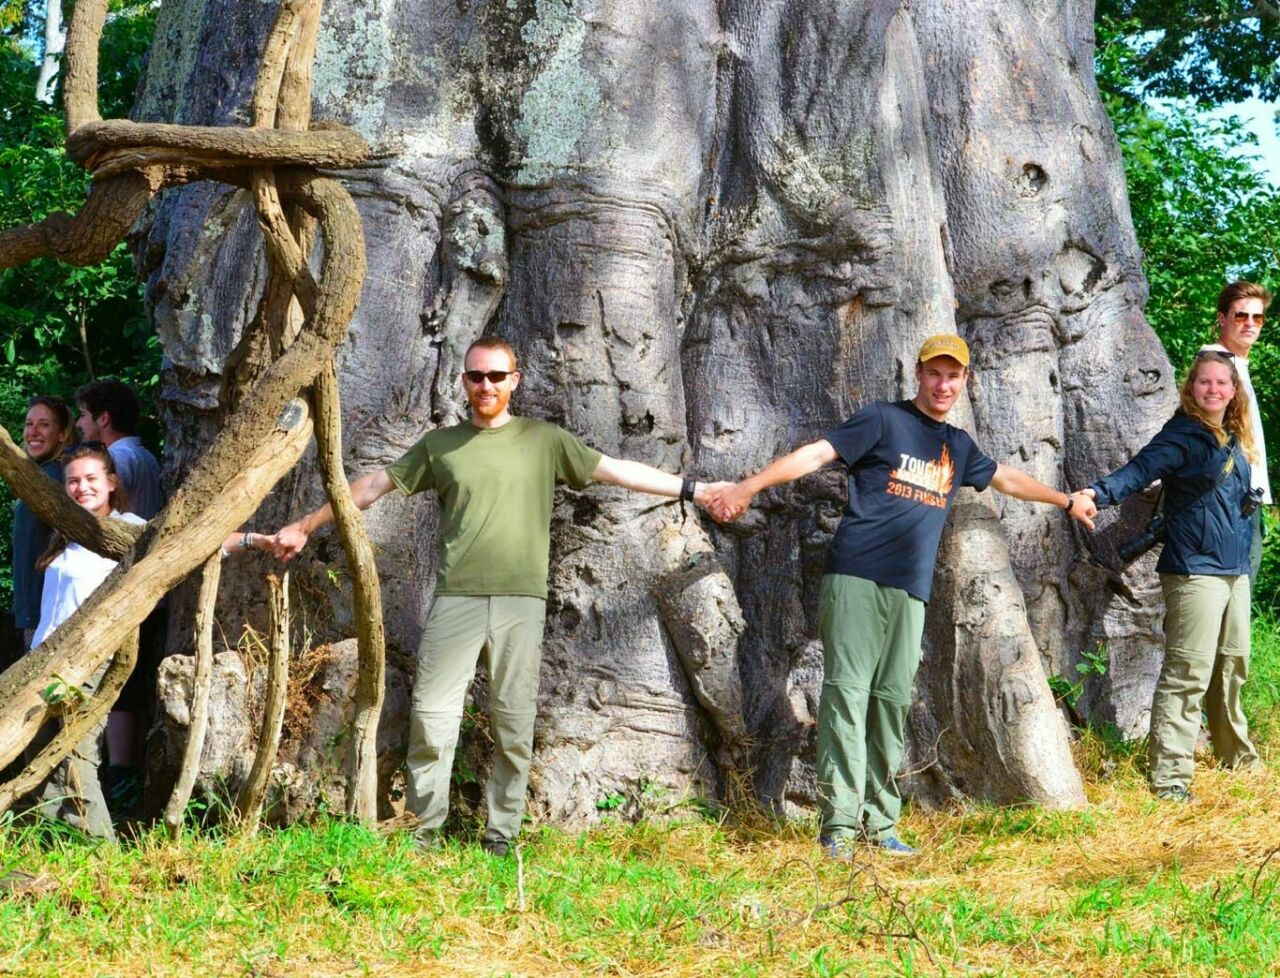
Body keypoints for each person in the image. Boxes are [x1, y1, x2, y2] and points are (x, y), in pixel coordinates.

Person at [271, 336, 729, 855]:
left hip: (520, 603)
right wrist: (306, 525)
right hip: (456, 601)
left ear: (514, 380)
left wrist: (694, 489)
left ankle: (502, 835)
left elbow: (617, 470)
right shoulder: (440, 446)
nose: (484, 385)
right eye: (475, 376)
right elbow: (374, 486)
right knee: (432, 716)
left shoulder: (544, 440)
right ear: (463, 381)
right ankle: (423, 834)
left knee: (514, 720)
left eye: (495, 376)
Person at [705, 335, 1097, 858]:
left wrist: (1066, 499)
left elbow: (1007, 479)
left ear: (965, 381)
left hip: (910, 591)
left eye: (953, 375)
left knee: (891, 700)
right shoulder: (882, 421)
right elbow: (816, 455)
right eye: (935, 373)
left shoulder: (957, 446)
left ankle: (880, 821)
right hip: (857, 578)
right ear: (918, 373)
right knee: (847, 693)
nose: (943, 384)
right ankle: (839, 827)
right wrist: (749, 487)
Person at [1080, 352, 1259, 802]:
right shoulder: (1182, 435)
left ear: (1233, 391)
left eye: (1222, 383)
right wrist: (1096, 494)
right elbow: (1140, 470)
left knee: (1232, 665)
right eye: (1205, 382)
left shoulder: (1232, 437)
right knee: (1188, 672)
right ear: (1191, 387)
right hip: (1195, 570)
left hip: (1234, 572)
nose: (1213, 390)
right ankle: (1170, 779)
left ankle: (1237, 756)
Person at [30, 443, 147, 841]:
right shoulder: (66, 533)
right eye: (73, 481)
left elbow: (195, 541)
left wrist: (253, 540)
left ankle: (100, 849)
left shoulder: (128, 527)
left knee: (76, 752)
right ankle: (56, 841)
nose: (82, 488)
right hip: (45, 659)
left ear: (112, 482)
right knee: (38, 750)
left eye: (91, 479)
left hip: (89, 658)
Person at [1198, 280, 1270, 579]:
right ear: (1222, 319)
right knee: (1226, 595)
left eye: (1258, 317)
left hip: (1247, 498)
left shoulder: (1237, 365)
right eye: (1241, 316)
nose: (1250, 324)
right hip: (1231, 500)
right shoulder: (1217, 362)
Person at [12, 396, 75, 652]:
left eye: (44, 425)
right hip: (37, 606)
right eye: (29, 424)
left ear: (62, 434)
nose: (33, 432)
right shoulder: (42, 474)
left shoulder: (54, 477)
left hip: (44, 610)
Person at [74, 378, 162, 520]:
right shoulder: (145, 455)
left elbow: (97, 513)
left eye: (83, 415)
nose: (78, 423)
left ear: (103, 419)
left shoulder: (118, 457)